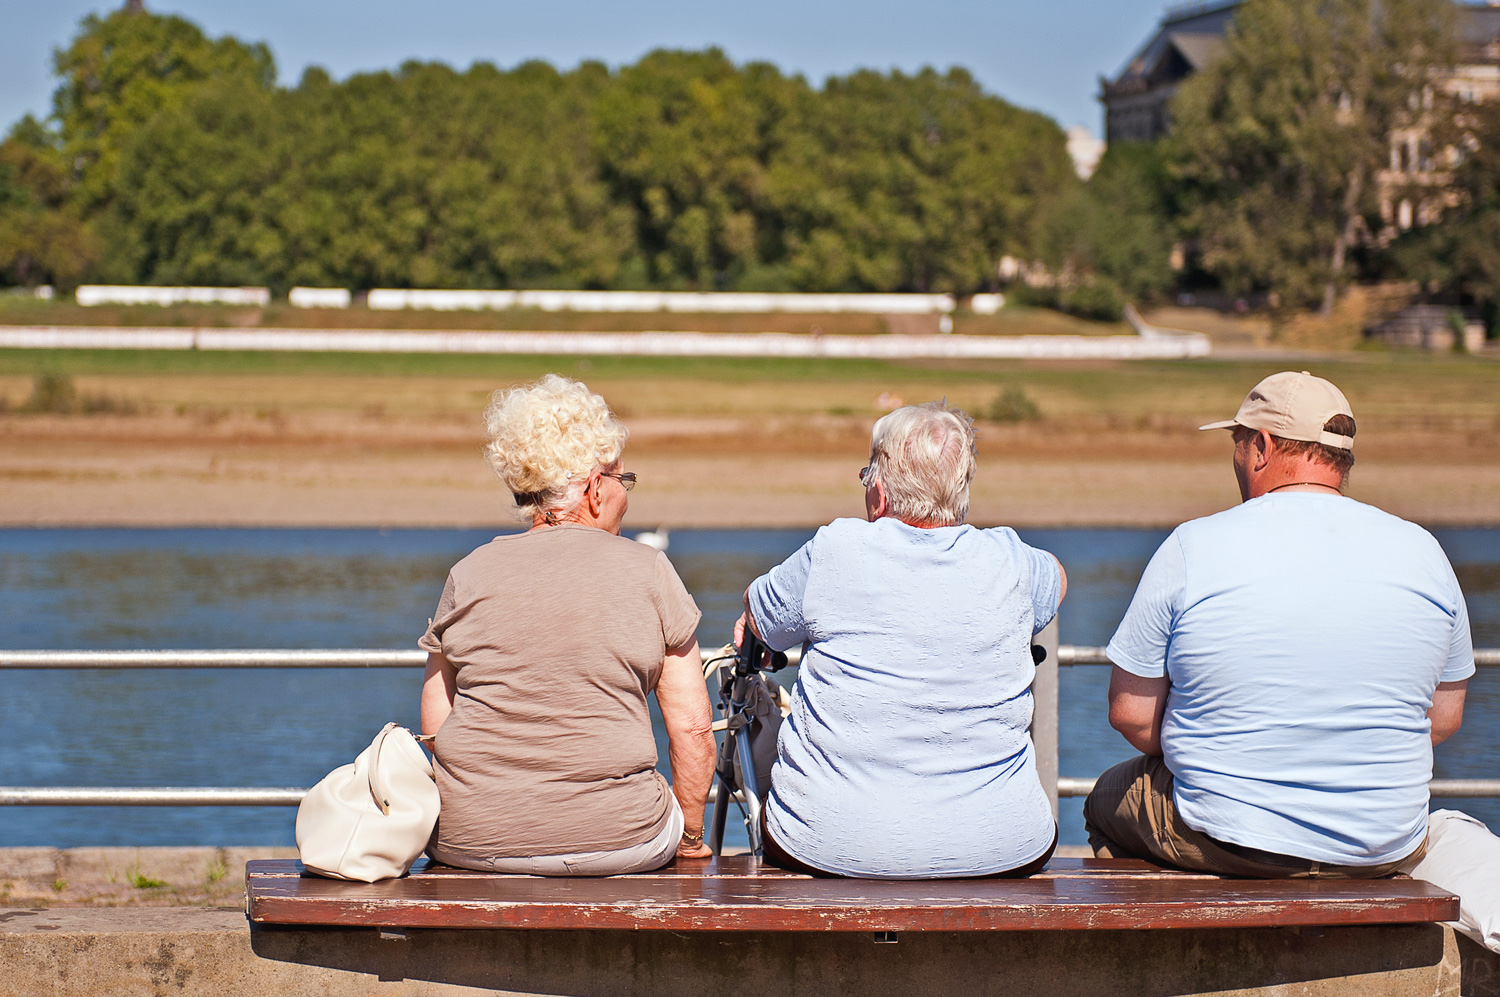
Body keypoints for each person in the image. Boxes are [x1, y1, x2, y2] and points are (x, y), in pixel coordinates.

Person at [1085, 370, 1474, 880]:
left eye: (1239, 443)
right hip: (1384, 844)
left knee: (1106, 799)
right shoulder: (1426, 550)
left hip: (1233, 839)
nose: (1237, 459)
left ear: (1263, 446)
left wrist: (1219, 746)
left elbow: (1131, 715)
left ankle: (1171, 949)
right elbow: (1442, 719)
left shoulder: (1192, 546)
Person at [737, 401, 1067, 878]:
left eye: (868, 473)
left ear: (881, 489)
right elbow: (1056, 577)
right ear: (961, 489)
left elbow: (760, 609)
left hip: (826, 845)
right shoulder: (1008, 558)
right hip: (1002, 846)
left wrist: (755, 622)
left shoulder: (835, 549)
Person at [418, 374, 716, 875]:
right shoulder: (650, 570)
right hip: (620, 839)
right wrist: (690, 837)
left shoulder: (467, 573)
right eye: (625, 481)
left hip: (469, 841)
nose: (627, 496)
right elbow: (692, 727)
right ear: (596, 489)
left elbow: (437, 718)